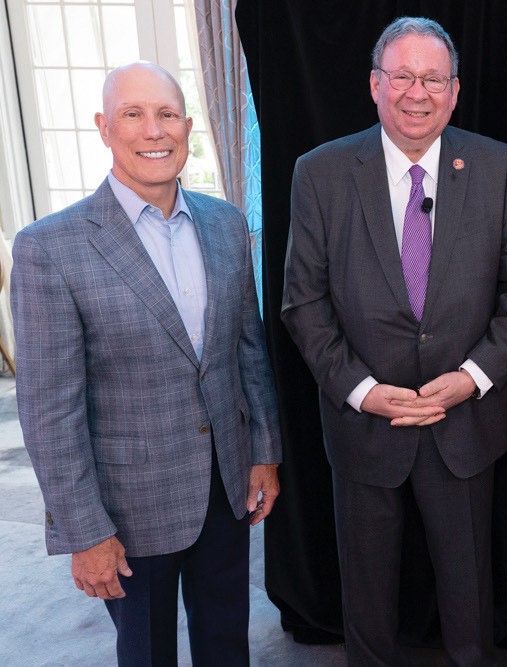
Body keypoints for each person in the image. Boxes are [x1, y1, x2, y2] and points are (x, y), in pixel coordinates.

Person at [281, 16, 507, 666]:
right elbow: (302, 301)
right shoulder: (320, 173)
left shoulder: (494, 165)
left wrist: (475, 376)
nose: (416, 92)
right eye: (402, 76)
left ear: (454, 91)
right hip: (364, 423)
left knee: (467, 592)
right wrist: (365, 392)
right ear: (375, 85)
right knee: (366, 598)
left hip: (465, 422)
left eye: (432, 78)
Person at [11, 62, 281, 665]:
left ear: (188, 126)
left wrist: (263, 451)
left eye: (166, 115)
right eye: (134, 115)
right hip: (126, 510)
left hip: (223, 488)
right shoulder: (50, 248)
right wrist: (85, 530)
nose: (153, 130)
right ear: (105, 128)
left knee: (226, 646)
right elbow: (50, 411)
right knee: (147, 654)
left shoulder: (225, 224)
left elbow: (247, 351)